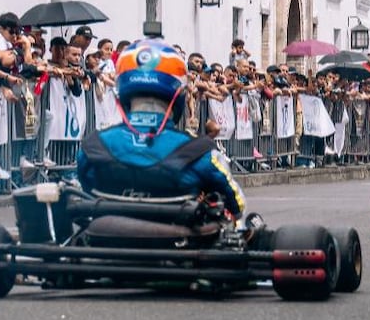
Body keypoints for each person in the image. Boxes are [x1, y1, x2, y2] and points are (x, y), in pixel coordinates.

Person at [75, 38, 246, 218]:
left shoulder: (93, 147)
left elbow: (87, 191)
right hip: (177, 232)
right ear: (178, 93)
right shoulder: (200, 152)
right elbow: (237, 204)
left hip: (108, 231)